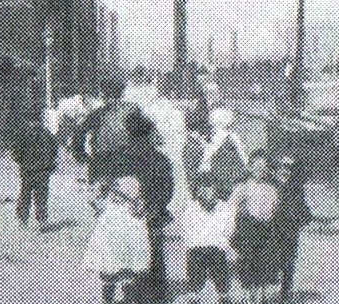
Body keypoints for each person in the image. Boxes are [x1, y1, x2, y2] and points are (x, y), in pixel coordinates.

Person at [122, 118, 176, 304]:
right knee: (154, 257)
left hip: (128, 216)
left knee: (129, 257)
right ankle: (157, 298)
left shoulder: (121, 157)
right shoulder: (160, 158)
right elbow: (168, 189)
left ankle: (132, 296)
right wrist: (153, 208)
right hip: (152, 216)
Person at [84, 176, 152, 304]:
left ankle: (126, 299)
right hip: (111, 239)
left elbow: (93, 202)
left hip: (126, 236)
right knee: (110, 270)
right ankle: (110, 299)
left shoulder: (133, 204)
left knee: (126, 270)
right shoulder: (109, 200)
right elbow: (93, 200)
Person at [82, 79, 155, 194]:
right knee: (129, 199)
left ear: (102, 94)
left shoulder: (97, 114)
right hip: (128, 162)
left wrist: (83, 157)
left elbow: (79, 135)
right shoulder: (133, 110)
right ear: (122, 93)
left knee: (100, 200)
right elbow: (148, 134)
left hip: (101, 162)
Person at [230, 151, 281, 303]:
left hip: (265, 231)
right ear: (250, 168)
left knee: (264, 264)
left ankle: (262, 297)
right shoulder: (242, 188)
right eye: (257, 167)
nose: (260, 170)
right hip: (247, 231)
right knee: (247, 264)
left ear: (267, 169)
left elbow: (274, 211)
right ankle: (248, 296)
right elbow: (232, 211)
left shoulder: (272, 190)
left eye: (263, 167)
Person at [180, 183, 237, 304]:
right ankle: (195, 296)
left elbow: (229, 230)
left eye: (209, 187)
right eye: (202, 188)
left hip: (217, 248)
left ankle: (223, 296)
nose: (205, 191)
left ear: (216, 189)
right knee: (195, 268)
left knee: (220, 272)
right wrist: (198, 245)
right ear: (198, 191)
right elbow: (186, 231)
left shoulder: (224, 208)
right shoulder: (191, 208)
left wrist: (218, 244)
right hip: (197, 249)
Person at [185, 106, 250, 204]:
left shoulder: (231, 138)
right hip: (205, 188)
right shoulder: (196, 140)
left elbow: (244, 164)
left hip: (223, 189)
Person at [273, 154, 311, 304]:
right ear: (276, 169)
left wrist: (297, 222)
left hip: (289, 231)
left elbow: (306, 212)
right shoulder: (270, 185)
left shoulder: (296, 188)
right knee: (273, 260)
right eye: (282, 167)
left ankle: (285, 293)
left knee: (288, 262)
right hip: (272, 230)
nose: (285, 171)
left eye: (289, 168)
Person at [11, 115, 59, 229]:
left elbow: (16, 151)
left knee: (30, 194)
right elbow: (54, 150)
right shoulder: (44, 133)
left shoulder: (25, 134)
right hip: (38, 170)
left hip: (32, 169)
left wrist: (21, 161)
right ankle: (36, 220)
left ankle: (28, 219)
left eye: (35, 122)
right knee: (35, 195)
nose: (34, 124)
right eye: (33, 122)